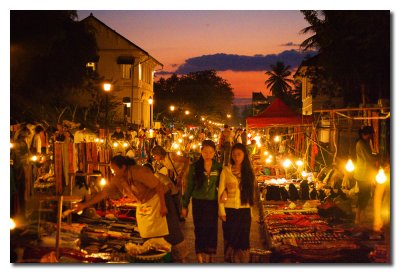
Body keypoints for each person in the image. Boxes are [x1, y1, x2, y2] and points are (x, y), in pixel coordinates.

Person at [181, 140, 222, 263]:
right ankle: (199, 257)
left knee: (211, 229)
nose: (208, 154)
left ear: (214, 152)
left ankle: (209, 257)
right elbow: (189, 187)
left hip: (212, 202)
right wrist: (184, 205)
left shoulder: (218, 167)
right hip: (198, 203)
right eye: (205, 151)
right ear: (201, 152)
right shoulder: (195, 167)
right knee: (199, 229)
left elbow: (222, 184)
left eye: (210, 152)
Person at [218, 143, 255, 263]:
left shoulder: (249, 172)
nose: (236, 157)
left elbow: (251, 195)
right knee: (230, 238)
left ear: (244, 155)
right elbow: (221, 191)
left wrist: (251, 212)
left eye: (239, 154)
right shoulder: (226, 171)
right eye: (234, 155)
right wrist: (222, 210)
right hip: (229, 210)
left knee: (243, 240)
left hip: (244, 211)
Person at [151, 145, 190, 220]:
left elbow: (187, 161)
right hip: (178, 174)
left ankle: (184, 211)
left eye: (155, 155)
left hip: (185, 172)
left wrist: (181, 174)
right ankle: (180, 212)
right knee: (178, 193)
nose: (154, 157)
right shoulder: (162, 161)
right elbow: (170, 169)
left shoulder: (171, 156)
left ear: (159, 154)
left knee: (185, 193)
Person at [353, 126, 378, 224]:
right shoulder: (361, 144)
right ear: (364, 134)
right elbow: (368, 158)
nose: (370, 137)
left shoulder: (364, 143)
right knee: (363, 195)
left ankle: (361, 216)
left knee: (366, 195)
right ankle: (358, 217)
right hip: (362, 174)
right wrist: (378, 157)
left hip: (364, 174)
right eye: (369, 135)